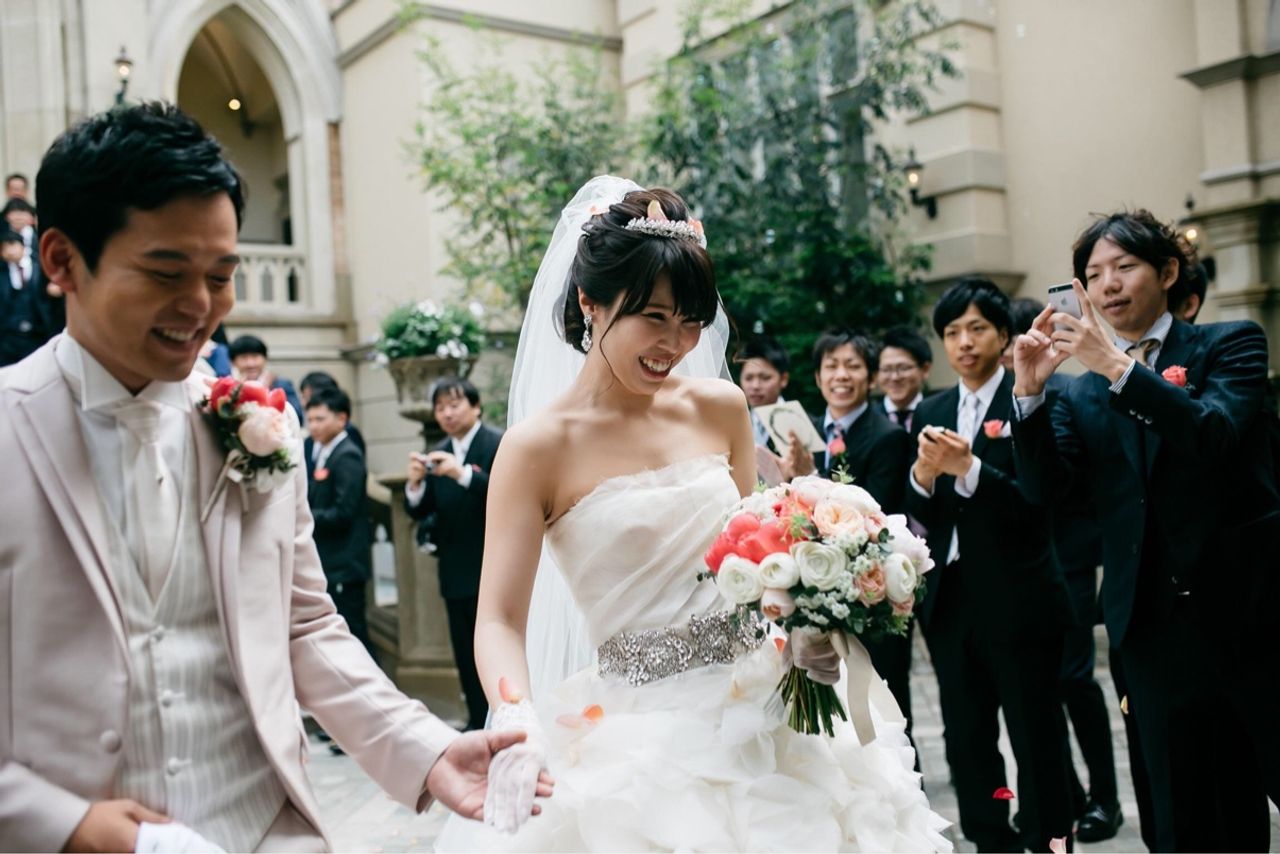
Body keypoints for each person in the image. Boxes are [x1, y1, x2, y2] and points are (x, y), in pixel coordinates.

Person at [0, 102, 549, 852]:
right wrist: (67, 825)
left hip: (265, 830)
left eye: (220, 275)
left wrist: (425, 750)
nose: (201, 307)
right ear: (62, 260)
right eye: (166, 272)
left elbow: (304, 625)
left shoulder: (261, 425)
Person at [435, 178, 950, 851]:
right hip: (637, 730)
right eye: (653, 317)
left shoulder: (720, 408)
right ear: (590, 302)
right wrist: (514, 713)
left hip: (767, 707)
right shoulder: (536, 448)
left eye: (689, 321)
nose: (674, 343)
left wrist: (801, 628)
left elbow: (755, 556)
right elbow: (500, 620)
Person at [1010, 209, 1280, 852]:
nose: (1108, 284)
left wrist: (1119, 368)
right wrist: (1030, 397)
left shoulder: (1230, 344)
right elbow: (1048, 493)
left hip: (1250, 615)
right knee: (1177, 812)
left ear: (1167, 272)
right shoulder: (1079, 393)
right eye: (1094, 273)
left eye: (1124, 266)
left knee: (1255, 782)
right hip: (1151, 631)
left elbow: (1214, 434)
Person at [905, 277, 1075, 852]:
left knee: (1036, 738)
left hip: (1020, 599)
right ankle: (990, 840)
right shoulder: (932, 409)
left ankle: (1049, 841)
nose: (964, 342)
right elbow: (917, 513)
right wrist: (922, 478)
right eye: (952, 332)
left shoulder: (1031, 397)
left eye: (977, 328)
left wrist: (971, 468)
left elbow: (1040, 499)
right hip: (952, 604)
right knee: (967, 738)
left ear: (1003, 336)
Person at [1008, 296, 1122, 841]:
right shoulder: (1004, 399)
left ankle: (1106, 798)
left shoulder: (1072, 393)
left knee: (1075, 678)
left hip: (1069, 557)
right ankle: (1067, 792)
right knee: (1039, 686)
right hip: (1018, 568)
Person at [783, 328, 917, 751]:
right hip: (808, 591)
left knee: (883, 713)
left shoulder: (888, 436)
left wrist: (807, 476)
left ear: (871, 377)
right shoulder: (802, 430)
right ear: (818, 376)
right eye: (832, 366)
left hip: (866, 598)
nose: (841, 375)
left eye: (853, 366)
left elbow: (876, 516)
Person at [405, 377, 503, 732]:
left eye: (454, 404)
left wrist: (461, 474)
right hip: (453, 570)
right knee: (465, 654)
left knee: (497, 651)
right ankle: (477, 723)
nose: (446, 413)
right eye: (440, 407)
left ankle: (505, 718)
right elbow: (421, 509)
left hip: (493, 567)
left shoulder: (498, 443)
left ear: (476, 407)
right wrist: (415, 484)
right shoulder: (438, 450)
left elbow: (503, 494)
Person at [306, 386, 375, 658]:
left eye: (320, 419)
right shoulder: (322, 452)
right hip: (331, 564)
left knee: (355, 637)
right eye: (310, 420)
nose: (313, 426)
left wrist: (303, 516)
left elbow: (343, 513)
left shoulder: (347, 455)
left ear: (342, 419)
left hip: (345, 565)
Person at [1, 228, 54, 366]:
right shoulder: (2, 272)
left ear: (23, 247)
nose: (10, 251)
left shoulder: (41, 267)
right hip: (8, 337)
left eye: (13, 245)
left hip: (38, 333)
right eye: (5, 248)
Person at [228, 333, 303, 418]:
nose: (250, 364)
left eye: (255, 356)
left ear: (265, 358)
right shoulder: (230, 389)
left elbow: (297, 415)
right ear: (233, 362)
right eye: (244, 358)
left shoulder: (281, 385)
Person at [736, 334, 790, 448]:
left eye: (765, 378)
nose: (755, 386)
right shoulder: (733, 425)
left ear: (783, 379)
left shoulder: (806, 424)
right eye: (748, 378)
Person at [300, 370, 366, 461]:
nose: (303, 403)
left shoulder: (348, 434)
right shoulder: (309, 441)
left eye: (306, 397)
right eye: (310, 420)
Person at [878, 325, 933, 431]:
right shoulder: (867, 421)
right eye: (886, 369)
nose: (894, 377)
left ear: (925, 369)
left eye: (903, 368)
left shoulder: (940, 413)